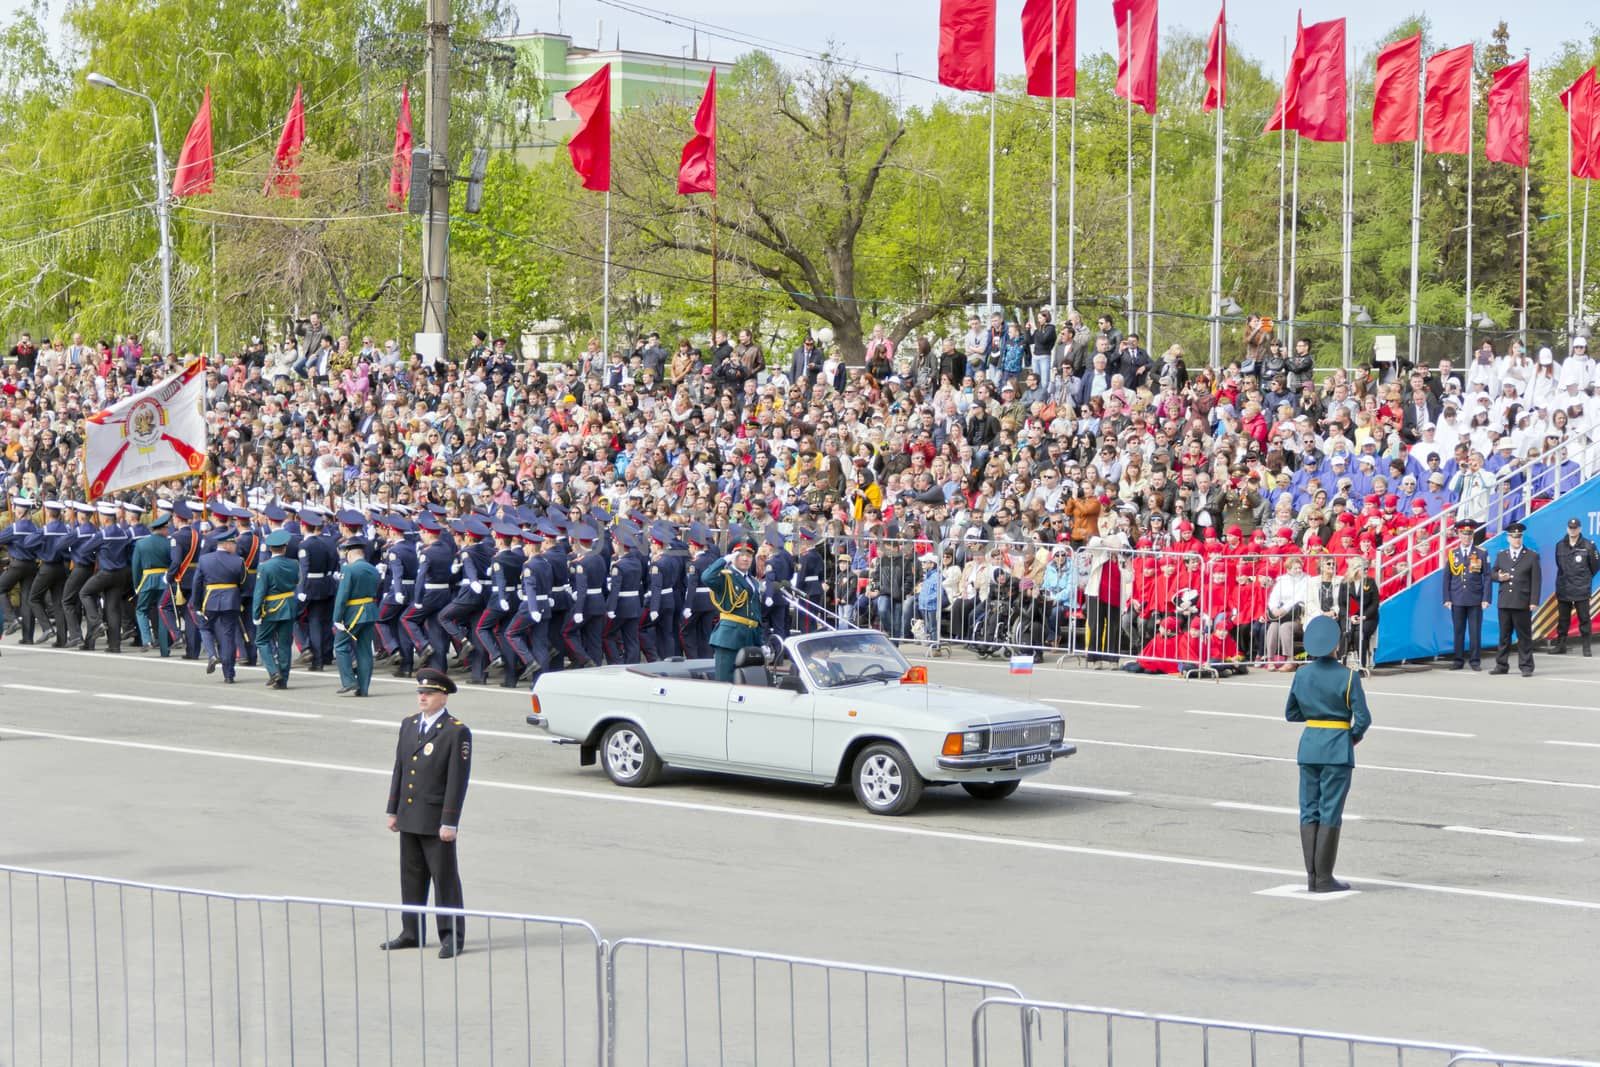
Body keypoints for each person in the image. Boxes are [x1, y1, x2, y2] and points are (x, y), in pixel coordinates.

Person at [382, 668, 472, 959]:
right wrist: (393, 810)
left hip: (435, 821)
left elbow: (457, 781)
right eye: (420, 692)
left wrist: (450, 821)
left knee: (444, 880)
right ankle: (411, 931)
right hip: (409, 815)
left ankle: (451, 936)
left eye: (429, 693)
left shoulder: (456, 731)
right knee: (410, 878)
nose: (422, 697)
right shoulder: (408, 725)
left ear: (443, 697)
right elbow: (400, 769)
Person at [1285, 615, 1371, 893]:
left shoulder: (1301, 674)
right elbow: (1363, 718)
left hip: (1309, 745)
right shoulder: (1348, 676)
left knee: (1308, 810)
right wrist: (1350, 737)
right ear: (1337, 646)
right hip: (1337, 748)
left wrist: (1316, 716)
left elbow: (1292, 713)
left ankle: (1312, 876)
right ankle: (1323, 878)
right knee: (1330, 811)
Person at [703, 529, 764, 682]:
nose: (745, 558)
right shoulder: (725, 577)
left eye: (749, 555)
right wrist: (724, 560)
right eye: (740, 555)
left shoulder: (753, 581)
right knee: (725, 680)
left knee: (747, 680)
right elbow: (706, 577)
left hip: (750, 636)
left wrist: (761, 641)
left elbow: (755, 613)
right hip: (729, 637)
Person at [1491, 521, 1541, 677]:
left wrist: (1533, 601)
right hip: (1505, 601)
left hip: (1522, 601)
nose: (1516, 540)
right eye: (1514, 537)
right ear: (1508, 538)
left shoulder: (1531, 556)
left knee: (1524, 636)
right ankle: (1501, 664)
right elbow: (1492, 573)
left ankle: (1526, 666)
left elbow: (1536, 580)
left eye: (1519, 537)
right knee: (1504, 636)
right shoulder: (1502, 555)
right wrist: (1498, 577)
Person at [334, 535, 382, 696]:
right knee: (364, 650)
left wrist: (337, 618)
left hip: (353, 613)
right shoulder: (373, 569)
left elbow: (342, 596)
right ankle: (363, 688)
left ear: (349, 554)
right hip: (370, 610)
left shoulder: (348, 569)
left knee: (340, 646)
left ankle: (349, 681)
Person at [195, 528, 245, 682]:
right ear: (227, 544)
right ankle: (229, 675)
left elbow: (197, 582)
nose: (236, 546)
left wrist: (196, 604)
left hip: (210, 599)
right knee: (228, 637)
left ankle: (212, 654)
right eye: (234, 543)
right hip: (231, 601)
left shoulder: (205, 560)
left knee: (204, 627)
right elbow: (243, 582)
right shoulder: (238, 561)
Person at [253, 529, 299, 688]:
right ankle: (283, 680)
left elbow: (260, 592)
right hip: (289, 606)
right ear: (285, 547)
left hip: (271, 608)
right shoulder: (294, 564)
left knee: (262, 640)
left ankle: (273, 672)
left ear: (270, 548)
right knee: (285, 644)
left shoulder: (265, 567)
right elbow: (296, 581)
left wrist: (256, 613)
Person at [1442, 518, 1490, 670]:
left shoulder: (1481, 553)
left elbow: (1487, 576)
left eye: (1469, 534)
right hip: (1457, 597)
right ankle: (1458, 659)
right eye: (1463, 534)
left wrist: (1486, 598)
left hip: (1475, 597)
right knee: (1458, 631)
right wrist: (1447, 598)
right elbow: (1447, 577)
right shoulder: (1453, 553)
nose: (1466, 537)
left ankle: (1475, 660)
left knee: (1475, 631)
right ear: (1459, 535)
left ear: (1473, 536)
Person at [1552, 517, 1600, 656]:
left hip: (1581, 587)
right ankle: (1561, 645)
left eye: (1575, 528)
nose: (1573, 530)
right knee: (1563, 619)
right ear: (1567, 529)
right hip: (1564, 587)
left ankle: (1586, 647)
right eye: (1570, 528)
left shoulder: (1589, 545)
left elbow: (1595, 566)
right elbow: (1559, 565)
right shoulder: (1560, 545)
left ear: (1580, 529)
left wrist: (1583, 578)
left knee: (1584, 618)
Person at [130, 511, 173, 656]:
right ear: (162, 529)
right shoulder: (168, 543)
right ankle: (164, 648)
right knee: (163, 612)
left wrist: (136, 585)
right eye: (167, 528)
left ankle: (147, 640)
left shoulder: (141, 543)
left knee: (141, 610)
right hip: (164, 580)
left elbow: (136, 566)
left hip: (147, 580)